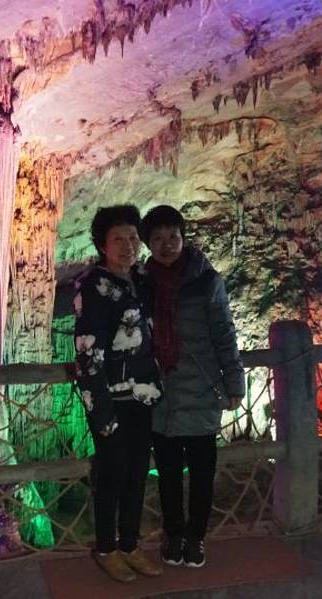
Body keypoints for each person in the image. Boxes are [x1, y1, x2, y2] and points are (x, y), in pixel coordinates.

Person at [140, 204, 245, 569]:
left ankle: (195, 537)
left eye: (173, 236)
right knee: (168, 474)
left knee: (201, 474)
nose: (167, 244)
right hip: (162, 396)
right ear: (148, 244)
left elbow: (224, 334)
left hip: (202, 390)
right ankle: (173, 534)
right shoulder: (143, 284)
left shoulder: (207, 281)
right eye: (157, 238)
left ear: (183, 238)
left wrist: (234, 382)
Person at [74, 204, 163, 583]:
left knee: (138, 471)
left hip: (142, 394)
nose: (128, 246)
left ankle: (130, 544)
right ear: (102, 245)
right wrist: (100, 409)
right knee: (112, 473)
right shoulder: (94, 287)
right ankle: (106, 548)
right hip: (109, 397)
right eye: (118, 239)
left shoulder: (140, 280)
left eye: (132, 238)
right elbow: (87, 352)